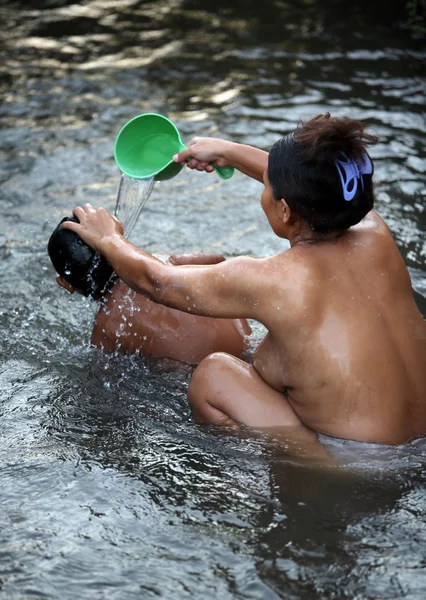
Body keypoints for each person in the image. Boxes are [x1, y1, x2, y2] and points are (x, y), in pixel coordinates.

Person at [61, 113, 426, 446]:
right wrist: (230, 153)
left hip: (362, 461)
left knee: (214, 375)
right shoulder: (374, 231)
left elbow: (158, 282)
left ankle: (258, 478)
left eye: (268, 187)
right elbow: (325, 185)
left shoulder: (276, 279)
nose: (263, 192)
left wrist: (110, 238)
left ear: (285, 210)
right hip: (418, 432)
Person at [47, 217, 251, 366]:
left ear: (66, 285)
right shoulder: (162, 261)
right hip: (247, 346)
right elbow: (218, 260)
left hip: (203, 374)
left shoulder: (105, 327)